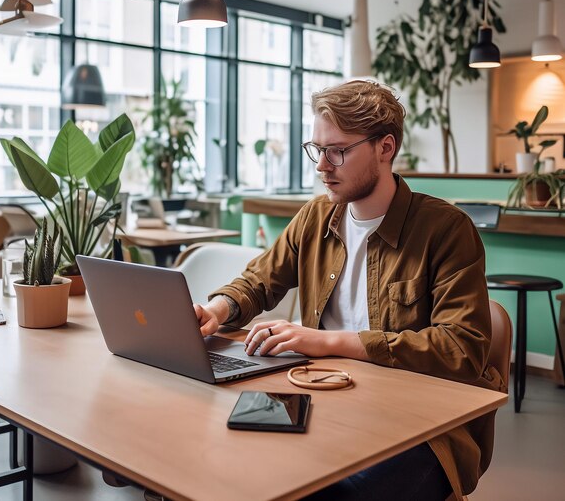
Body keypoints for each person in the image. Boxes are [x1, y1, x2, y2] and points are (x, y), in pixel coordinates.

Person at [195, 80, 504, 501]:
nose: (322, 165)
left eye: (337, 151)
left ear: (385, 148)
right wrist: (218, 309)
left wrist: (330, 342)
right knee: (225, 462)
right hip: (323, 397)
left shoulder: (447, 231)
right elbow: (259, 280)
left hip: (424, 425)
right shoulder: (317, 215)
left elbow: (461, 350)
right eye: (316, 149)